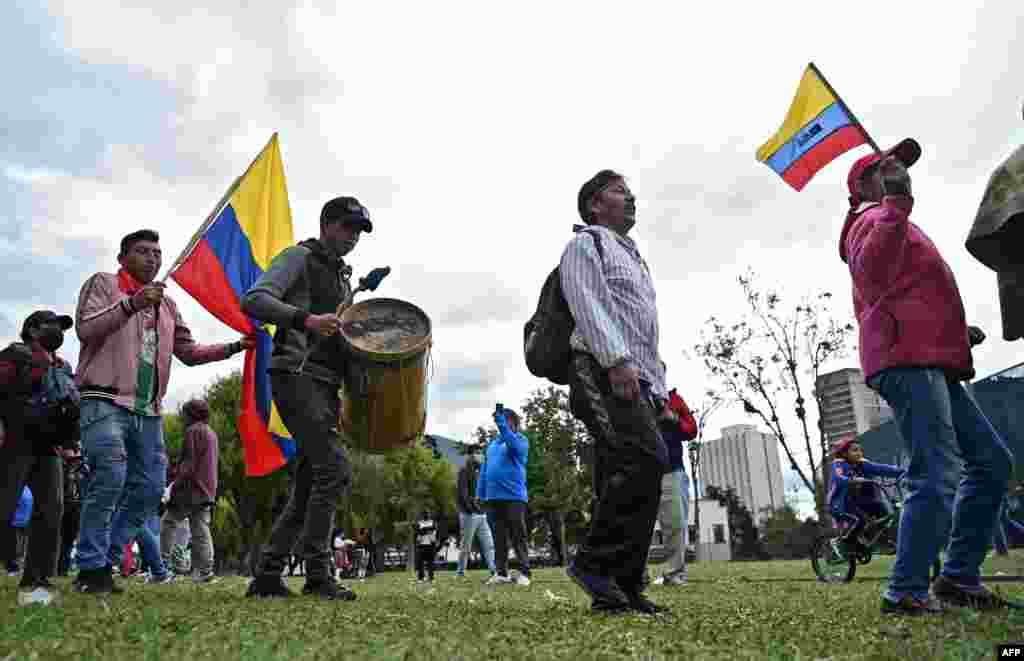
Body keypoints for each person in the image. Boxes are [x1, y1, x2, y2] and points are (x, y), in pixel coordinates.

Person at [840, 140, 1017, 614]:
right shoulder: (869, 220)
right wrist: (895, 204)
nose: (896, 172)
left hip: (929, 356)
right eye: (884, 168)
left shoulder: (895, 222)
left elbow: (910, 293)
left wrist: (958, 332)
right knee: (935, 470)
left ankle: (958, 578)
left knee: (991, 463)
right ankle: (906, 591)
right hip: (905, 359)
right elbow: (873, 274)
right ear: (861, 187)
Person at [73, 229, 251, 594]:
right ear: (123, 258)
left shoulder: (166, 305)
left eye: (157, 252)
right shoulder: (104, 285)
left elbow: (188, 352)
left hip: (148, 411)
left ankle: (104, 558)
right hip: (104, 400)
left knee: (151, 489)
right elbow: (86, 328)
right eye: (142, 251)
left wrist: (235, 346)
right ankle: (91, 569)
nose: (152, 258)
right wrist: (131, 304)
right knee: (108, 479)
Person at [241, 196, 373, 601]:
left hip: (325, 383)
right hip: (296, 375)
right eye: (348, 228)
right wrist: (307, 320)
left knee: (309, 483)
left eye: (359, 232)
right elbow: (254, 298)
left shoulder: (342, 276)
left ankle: (267, 576)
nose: (353, 238)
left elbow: (336, 327)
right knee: (334, 469)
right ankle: (318, 575)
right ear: (327, 224)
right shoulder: (297, 256)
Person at [561, 170, 670, 616]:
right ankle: (592, 563)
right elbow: (587, 303)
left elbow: (645, 329)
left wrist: (657, 385)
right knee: (646, 457)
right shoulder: (587, 244)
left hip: (637, 374)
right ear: (594, 204)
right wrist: (616, 360)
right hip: (601, 367)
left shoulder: (635, 257)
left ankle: (622, 586)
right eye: (619, 191)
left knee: (624, 469)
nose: (631, 198)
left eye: (629, 192)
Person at [0, 310, 82, 606]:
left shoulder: (63, 366)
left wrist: (71, 442)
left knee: (51, 509)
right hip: (15, 442)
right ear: (33, 330)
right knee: (4, 505)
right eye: (52, 325)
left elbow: (70, 407)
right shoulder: (15, 355)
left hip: (49, 447)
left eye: (61, 327)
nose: (58, 331)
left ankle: (36, 582)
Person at [160, 399, 218, 584]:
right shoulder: (210, 433)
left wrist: (174, 484)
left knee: (169, 522)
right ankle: (205, 570)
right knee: (200, 529)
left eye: (184, 413)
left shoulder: (193, 431)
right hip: (207, 488)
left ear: (191, 414)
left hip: (191, 489)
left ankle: (162, 566)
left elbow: (189, 464)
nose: (182, 417)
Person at [476, 407, 531, 587]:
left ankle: (524, 572)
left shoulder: (521, 441)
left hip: (514, 497)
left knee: (518, 535)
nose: (503, 424)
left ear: (514, 424)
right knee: (498, 537)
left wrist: (500, 422)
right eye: (501, 420)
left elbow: (511, 441)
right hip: (493, 498)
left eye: (507, 420)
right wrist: (480, 493)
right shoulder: (492, 446)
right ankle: (501, 573)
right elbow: (485, 470)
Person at [827, 438, 903, 555]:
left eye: (860, 450)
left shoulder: (863, 464)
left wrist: (902, 471)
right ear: (844, 453)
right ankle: (844, 543)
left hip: (859, 502)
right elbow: (838, 478)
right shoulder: (839, 464)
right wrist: (852, 480)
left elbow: (882, 468)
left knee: (882, 510)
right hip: (840, 504)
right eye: (854, 450)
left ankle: (879, 540)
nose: (859, 453)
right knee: (859, 520)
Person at [653, 388, 694, 586]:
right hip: (641, 470)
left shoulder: (675, 399)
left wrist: (672, 417)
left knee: (676, 523)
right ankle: (635, 577)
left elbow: (691, 430)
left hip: (672, 471)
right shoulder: (633, 393)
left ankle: (675, 573)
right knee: (636, 525)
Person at [454, 445, 497, 577]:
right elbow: (463, 494)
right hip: (469, 514)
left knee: (489, 543)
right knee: (466, 545)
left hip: (481, 514)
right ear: (470, 455)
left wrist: (484, 508)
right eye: (477, 453)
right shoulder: (464, 471)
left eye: (481, 452)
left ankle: (493, 569)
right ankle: (460, 572)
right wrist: (471, 509)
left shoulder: (482, 471)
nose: (480, 455)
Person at [57, 450, 83, 576]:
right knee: (59, 539)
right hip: (63, 506)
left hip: (75, 507)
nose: (75, 461)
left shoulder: (80, 472)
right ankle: (56, 568)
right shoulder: (59, 469)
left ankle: (63, 569)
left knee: (68, 540)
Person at [5, 486, 33, 576]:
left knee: (20, 546)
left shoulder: (25, 490)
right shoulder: (26, 490)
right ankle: (14, 566)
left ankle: (16, 566)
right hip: (18, 521)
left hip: (21, 521)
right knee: (18, 546)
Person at [415, 510, 439, 582]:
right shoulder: (419, 523)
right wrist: (426, 531)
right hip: (421, 545)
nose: (426, 515)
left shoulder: (433, 522)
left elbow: (433, 532)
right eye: (424, 514)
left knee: (431, 563)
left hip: (431, 545)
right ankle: (421, 578)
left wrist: (423, 531)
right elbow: (418, 533)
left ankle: (431, 578)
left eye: (427, 514)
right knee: (420, 563)